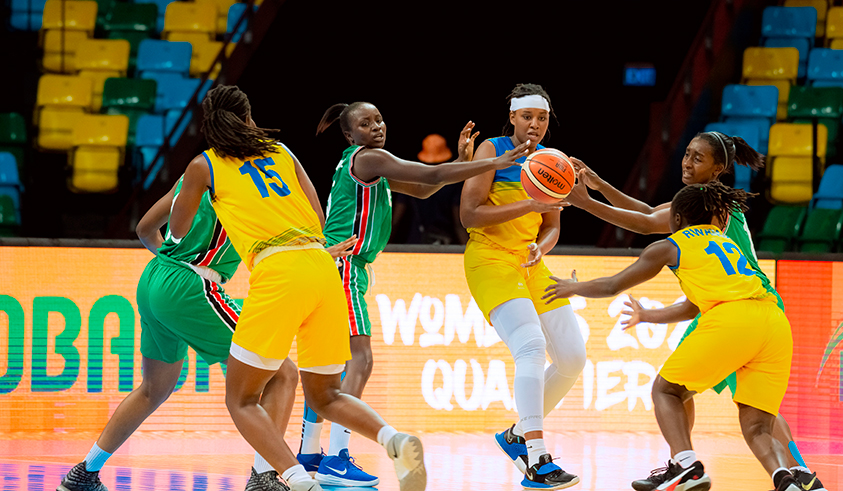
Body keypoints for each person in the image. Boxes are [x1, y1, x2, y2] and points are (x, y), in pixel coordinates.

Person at [168, 85, 435, 491]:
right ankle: (392, 440)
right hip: (323, 266)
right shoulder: (281, 151)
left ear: (208, 123)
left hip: (278, 270)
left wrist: (208, 200)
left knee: (240, 399)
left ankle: (295, 478)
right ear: (249, 116)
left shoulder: (203, 165)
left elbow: (177, 231)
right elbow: (316, 213)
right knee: (325, 393)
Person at [564, 131, 825, 491]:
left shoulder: (713, 208)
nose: (687, 162)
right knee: (740, 406)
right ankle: (774, 473)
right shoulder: (704, 202)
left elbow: (644, 223)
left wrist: (585, 202)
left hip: (731, 304)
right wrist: (600, 184)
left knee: (680, 390)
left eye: (697, 158)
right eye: (686, 154)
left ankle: (788, 471)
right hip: (744, 304)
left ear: (718, 169)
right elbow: (646, 212)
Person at [296, 100, 531, 487]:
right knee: (361, 360)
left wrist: (459, 161)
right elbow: (432, 171)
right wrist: (493, 163)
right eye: (365, 123)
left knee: (329, 366)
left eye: (379, 120)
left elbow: (426, 187)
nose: (376, 127)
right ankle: (337, 455)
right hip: (342, 266)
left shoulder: (372, 167)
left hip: (339, 268)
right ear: (349, 134)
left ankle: (309, 452)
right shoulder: (369, 159)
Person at [57, 175, 301, 491]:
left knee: (153, 389)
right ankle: (264, 479)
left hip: (154, 279)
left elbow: (145, 229)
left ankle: (84, 474)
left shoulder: (193, 174)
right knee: (283, 374)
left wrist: (173, 266)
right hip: (192, 286)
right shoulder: (247, 182)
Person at [460, 83, 586, 490]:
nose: (535, 124)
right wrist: (530, 205)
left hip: (531, 265)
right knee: (531, 347)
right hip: (490, 259)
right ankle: (537, 457)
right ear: (512, 117)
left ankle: (515, 436)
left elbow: (552, 227)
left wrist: (540, 246)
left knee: (572, 358)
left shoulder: (553, 161)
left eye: (543, 117)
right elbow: (470, 214)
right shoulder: (491, 151)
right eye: (527, 116)